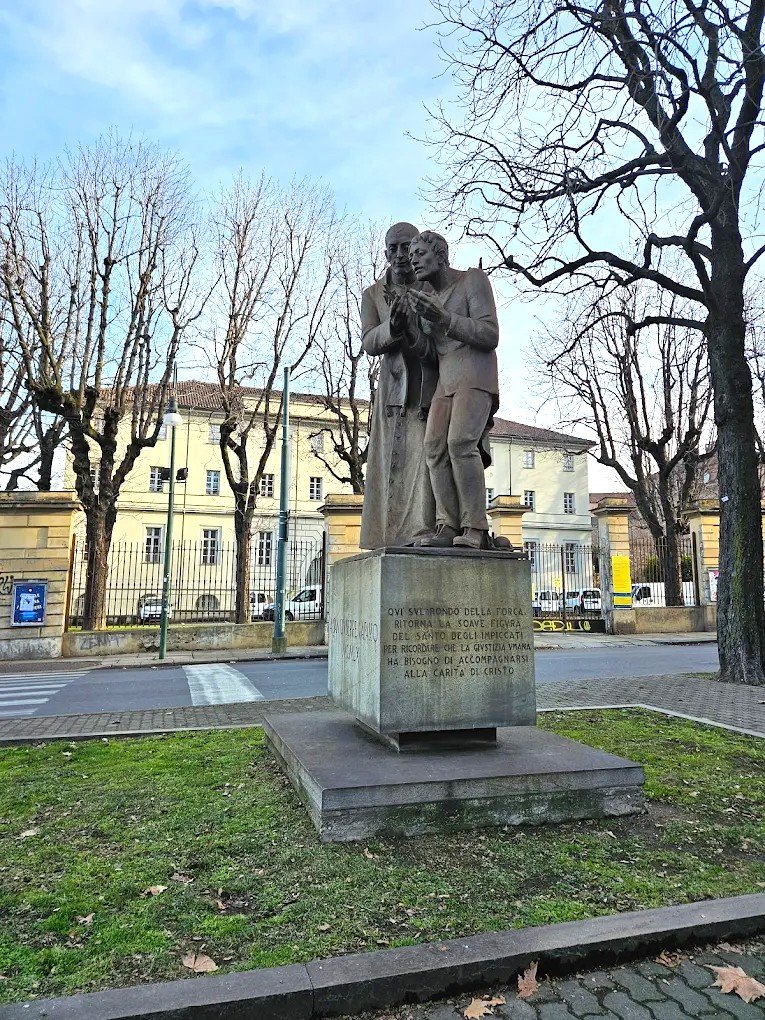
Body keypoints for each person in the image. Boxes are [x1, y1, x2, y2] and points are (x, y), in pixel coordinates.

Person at [406, 230, 500, 549]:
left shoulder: (472, 280)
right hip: (445, 380)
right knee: (433, 447)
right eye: (411, 256)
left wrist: (444, 318)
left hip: (475, 373)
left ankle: (476, 527)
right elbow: (431, 354)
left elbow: (490, 334)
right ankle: (447, 525)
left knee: (460, 443)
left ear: (440, 255)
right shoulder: (428, 299)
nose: (413, 260)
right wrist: (409, 329)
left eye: (420, 253)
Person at [358, 222, 438, 549]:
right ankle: (388, 536)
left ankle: (425, 530)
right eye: (394, 248)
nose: (401, 254)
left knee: (426, 462)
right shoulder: (372, 294)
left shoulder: (431, 286)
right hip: (392, 388)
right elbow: (368, 341)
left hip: (429, 383)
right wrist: (392, 328)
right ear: (386, 253)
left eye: (407, 247)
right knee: (389, 464)